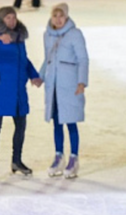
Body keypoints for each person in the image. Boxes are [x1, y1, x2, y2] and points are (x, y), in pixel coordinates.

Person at [0, 7, 42, 178]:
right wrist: (0, 40)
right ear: (1, 20)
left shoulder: (19, 38)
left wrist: (33, 75)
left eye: (13, 17)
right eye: (8, 18)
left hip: (17, 89)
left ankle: (16, 160)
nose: (12, 20)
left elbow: (23, 59)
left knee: (21, 126)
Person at [41, 3, 88, 179]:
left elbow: (83, 59)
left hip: (69, 86)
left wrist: (82, 81)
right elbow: (47, 59)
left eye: (61, 16)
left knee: (71, 122)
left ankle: (73, 158)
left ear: (67, 17)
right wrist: (39, 76)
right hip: (53, 86)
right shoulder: (47, 35)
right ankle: (59, 155)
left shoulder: (75, 34)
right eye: (55, 16)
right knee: (57, 123)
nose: (58, 19)